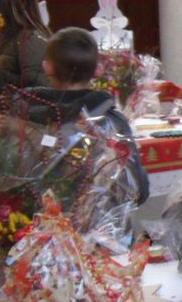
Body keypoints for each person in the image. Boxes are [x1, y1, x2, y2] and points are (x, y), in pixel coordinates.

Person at [9, 27, 149, 207]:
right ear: (98, 70)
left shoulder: (22, 115)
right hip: (99, 230)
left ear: (47, 67)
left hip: (30, 226)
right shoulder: (110, 120)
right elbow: (137, 190)